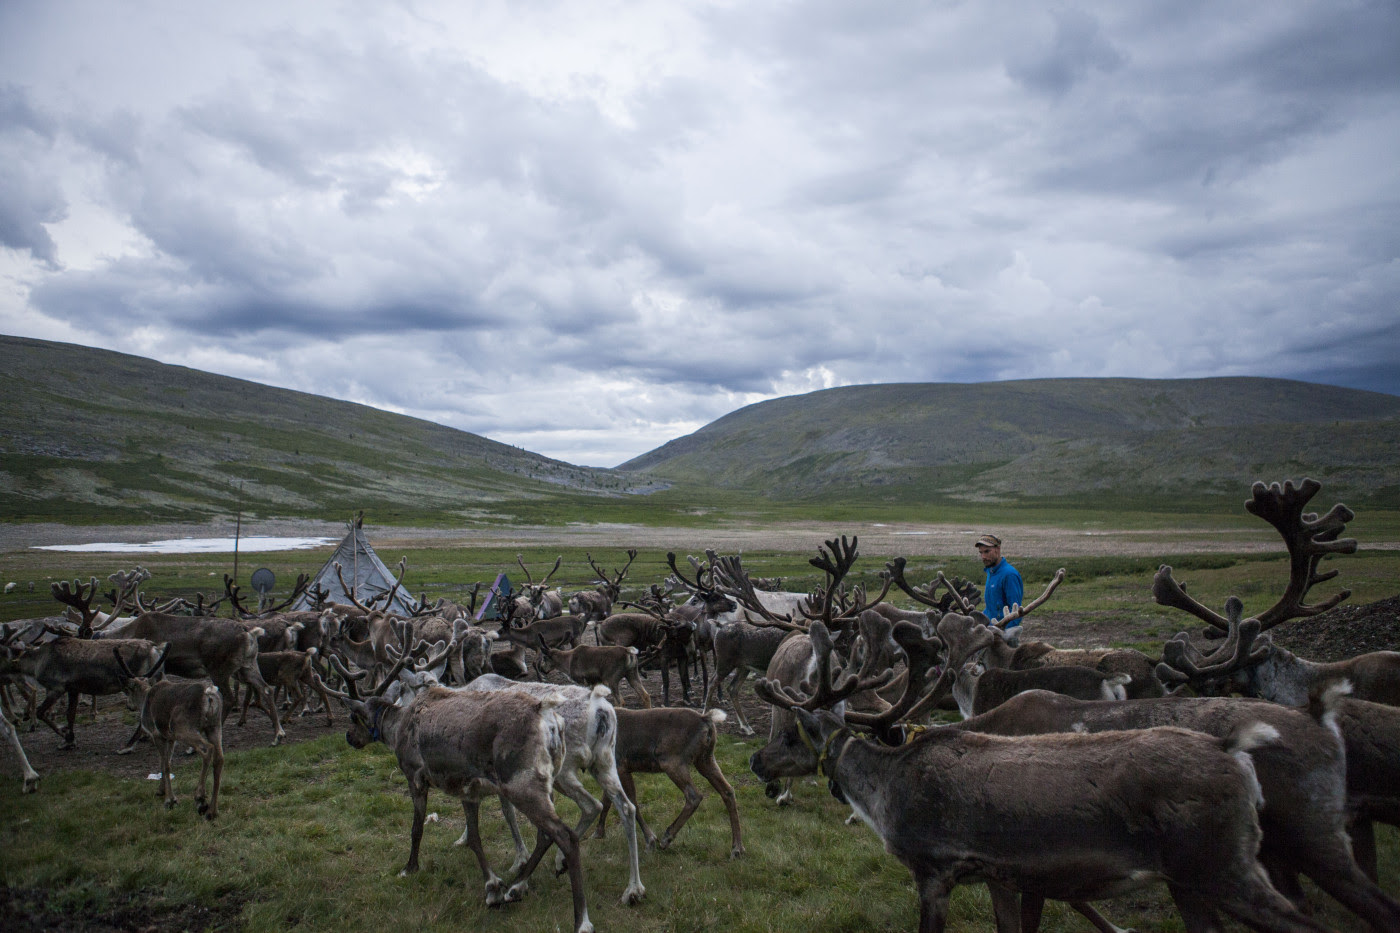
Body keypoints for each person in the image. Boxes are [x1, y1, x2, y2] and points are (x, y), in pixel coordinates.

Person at [975, 534, 1024, 642]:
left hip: (1003, 638)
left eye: (987, 551)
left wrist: (1002, 632)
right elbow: (991, 608)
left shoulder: (1009, 575)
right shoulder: (991, 572)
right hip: (990, 634)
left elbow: (1016, 611)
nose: (983, 556)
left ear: (998, 549)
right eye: (981, 553)